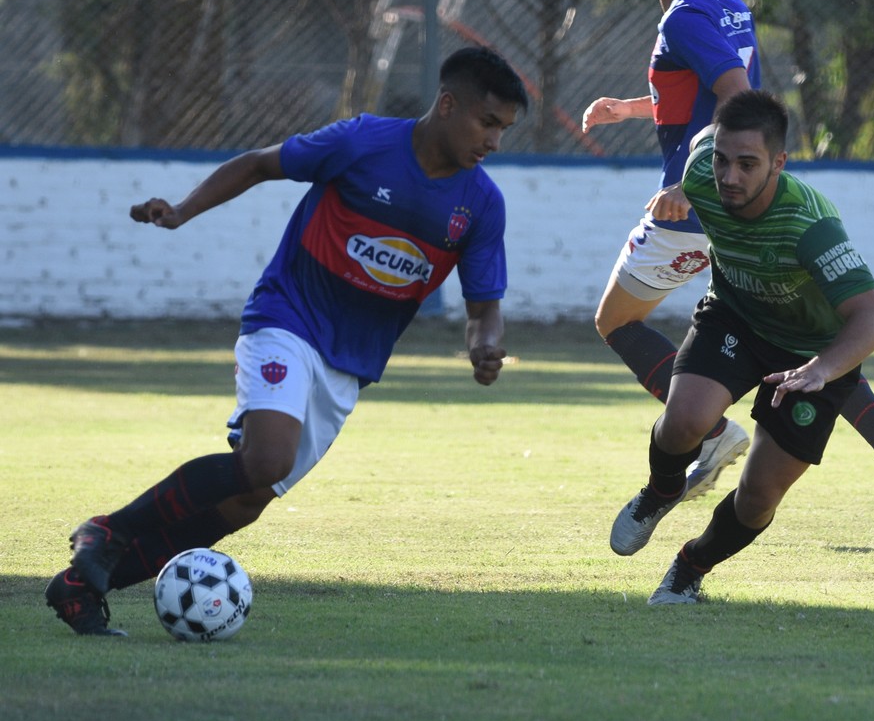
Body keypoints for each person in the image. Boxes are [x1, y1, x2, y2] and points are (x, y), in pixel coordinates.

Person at [47, 46, 528, 635]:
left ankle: (80, 586)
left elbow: (484, 309)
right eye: (488, 123)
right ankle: (109, 530)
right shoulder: (363, 143)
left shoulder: (480, 204)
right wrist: (181, 212)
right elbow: (256, 164)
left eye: (503, 130)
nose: (494, 143)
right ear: (448, 104)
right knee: (265, 458)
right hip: (287, 316)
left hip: (349, 364)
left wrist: (485, 346)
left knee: (247, 500)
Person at [581, 0, 874, 540]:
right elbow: (706, 90)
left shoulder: (682, 17)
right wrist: (634, 108)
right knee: (793, 334)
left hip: (702, 199)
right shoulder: (727, 3)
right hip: (737, 191)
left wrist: (680, 186)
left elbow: (732, 89)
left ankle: (711, 434)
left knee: (615, 320)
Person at [609, 90, 874, 604]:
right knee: (683, 423)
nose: (729, 177)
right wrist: (679, 185)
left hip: (813, 354)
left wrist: (822, 369)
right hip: (735, 318)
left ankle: (690, 565)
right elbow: (698, 144)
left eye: (748, 164)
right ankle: (663, 490)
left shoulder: (811, 226)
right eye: (722, 160)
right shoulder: (703, 168)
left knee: (758, 497)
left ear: (778, 163)